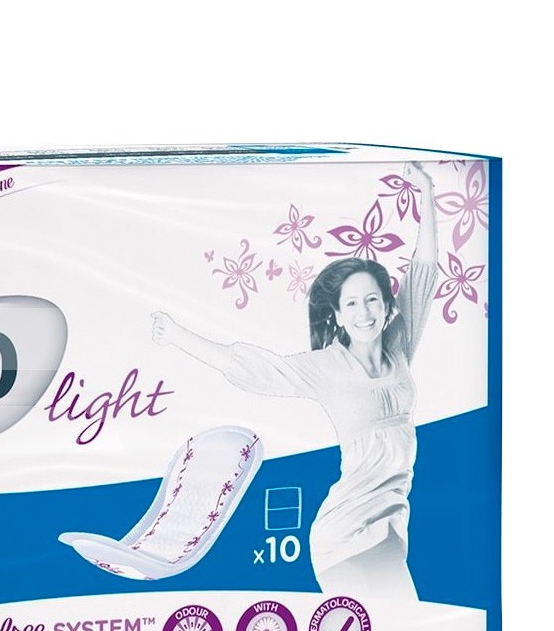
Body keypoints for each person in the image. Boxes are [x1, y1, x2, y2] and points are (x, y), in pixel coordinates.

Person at [151, 162, 437, 604]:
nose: (364, 313)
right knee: (405, 627)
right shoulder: (329, 367)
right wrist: (176, 335)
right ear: (338, 315)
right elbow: (253, 367)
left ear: (386, 306)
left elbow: (423, 274)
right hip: (347, 534)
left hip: (388, 524)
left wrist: (426, 192)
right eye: (351, 304)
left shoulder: (399, 348)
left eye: (372, 301)